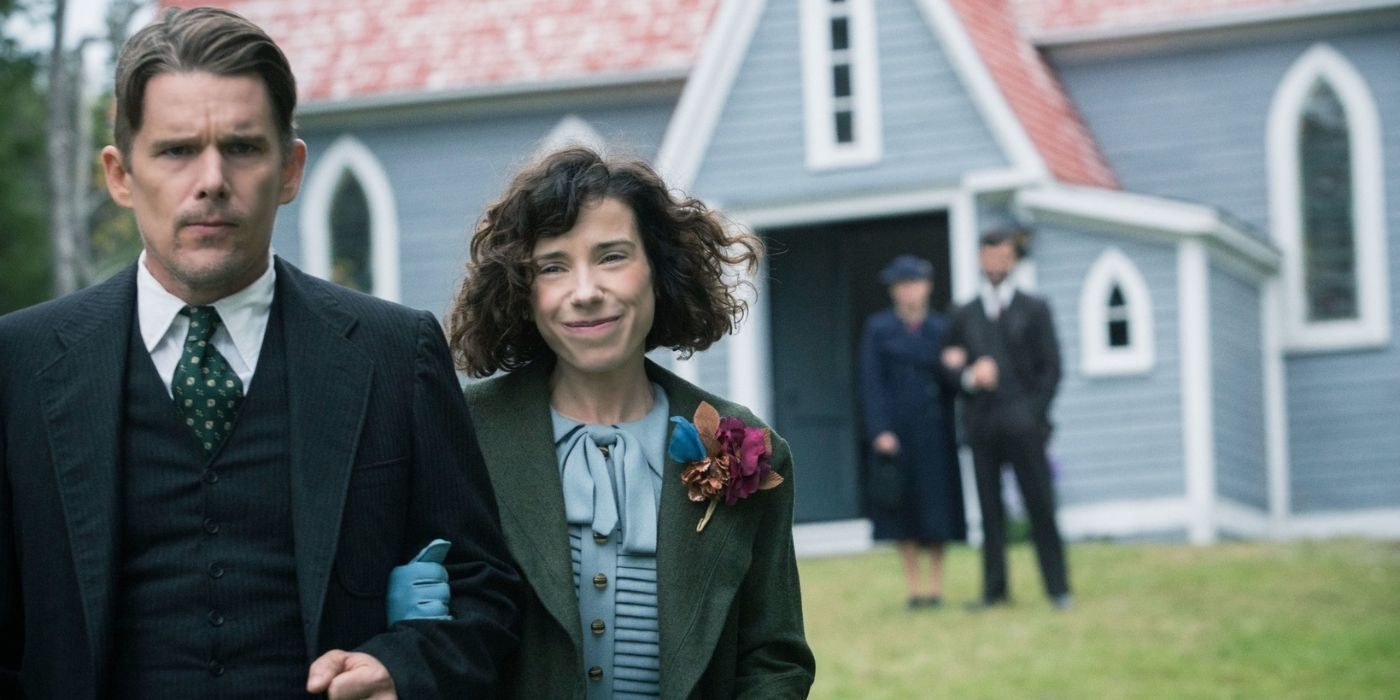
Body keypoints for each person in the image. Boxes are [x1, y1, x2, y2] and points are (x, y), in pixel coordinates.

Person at [0, 7, 521, 698]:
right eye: (177, 150)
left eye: (242, 148)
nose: (212, 179)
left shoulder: (397, 354)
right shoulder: (19, 364)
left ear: (290, 169)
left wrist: (407, 666)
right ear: (120, 175)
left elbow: (483, 592)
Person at [387, 147, 816, 698]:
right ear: (522, 290)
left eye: (612, 256)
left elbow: (774, 658)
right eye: (553, 266)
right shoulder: (461, 432)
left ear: (660, 270)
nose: (585, 292)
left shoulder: (749, 447)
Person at [943, 227, 1071, 610]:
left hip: (1026, 425)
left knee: (1040, 505)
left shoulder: (1035, 309)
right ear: (980, 259)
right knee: (989, 509)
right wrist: (968, 375)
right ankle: (995, 591)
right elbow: (948, 365)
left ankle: (1058, 588)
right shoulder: (962, 314)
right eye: (989, 256)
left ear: (1012, 260)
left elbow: (1052, 369)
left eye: (1003, 256)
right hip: (982, 425)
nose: (996, 263)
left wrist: (1033, 414)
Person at [858, 255, 965, 610]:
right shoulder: (878, 329)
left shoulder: (942, 328)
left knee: (937, 508)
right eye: (901, 286)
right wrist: (880, 430)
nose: (908, 291)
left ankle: (936, 587)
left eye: (914, 284)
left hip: (936, 431)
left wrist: (955, 367)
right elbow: (870, 383)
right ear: (893, 292)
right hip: (897, 433)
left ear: (927, 286)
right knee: (902, 511)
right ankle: (913, 588)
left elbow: (955, 383)